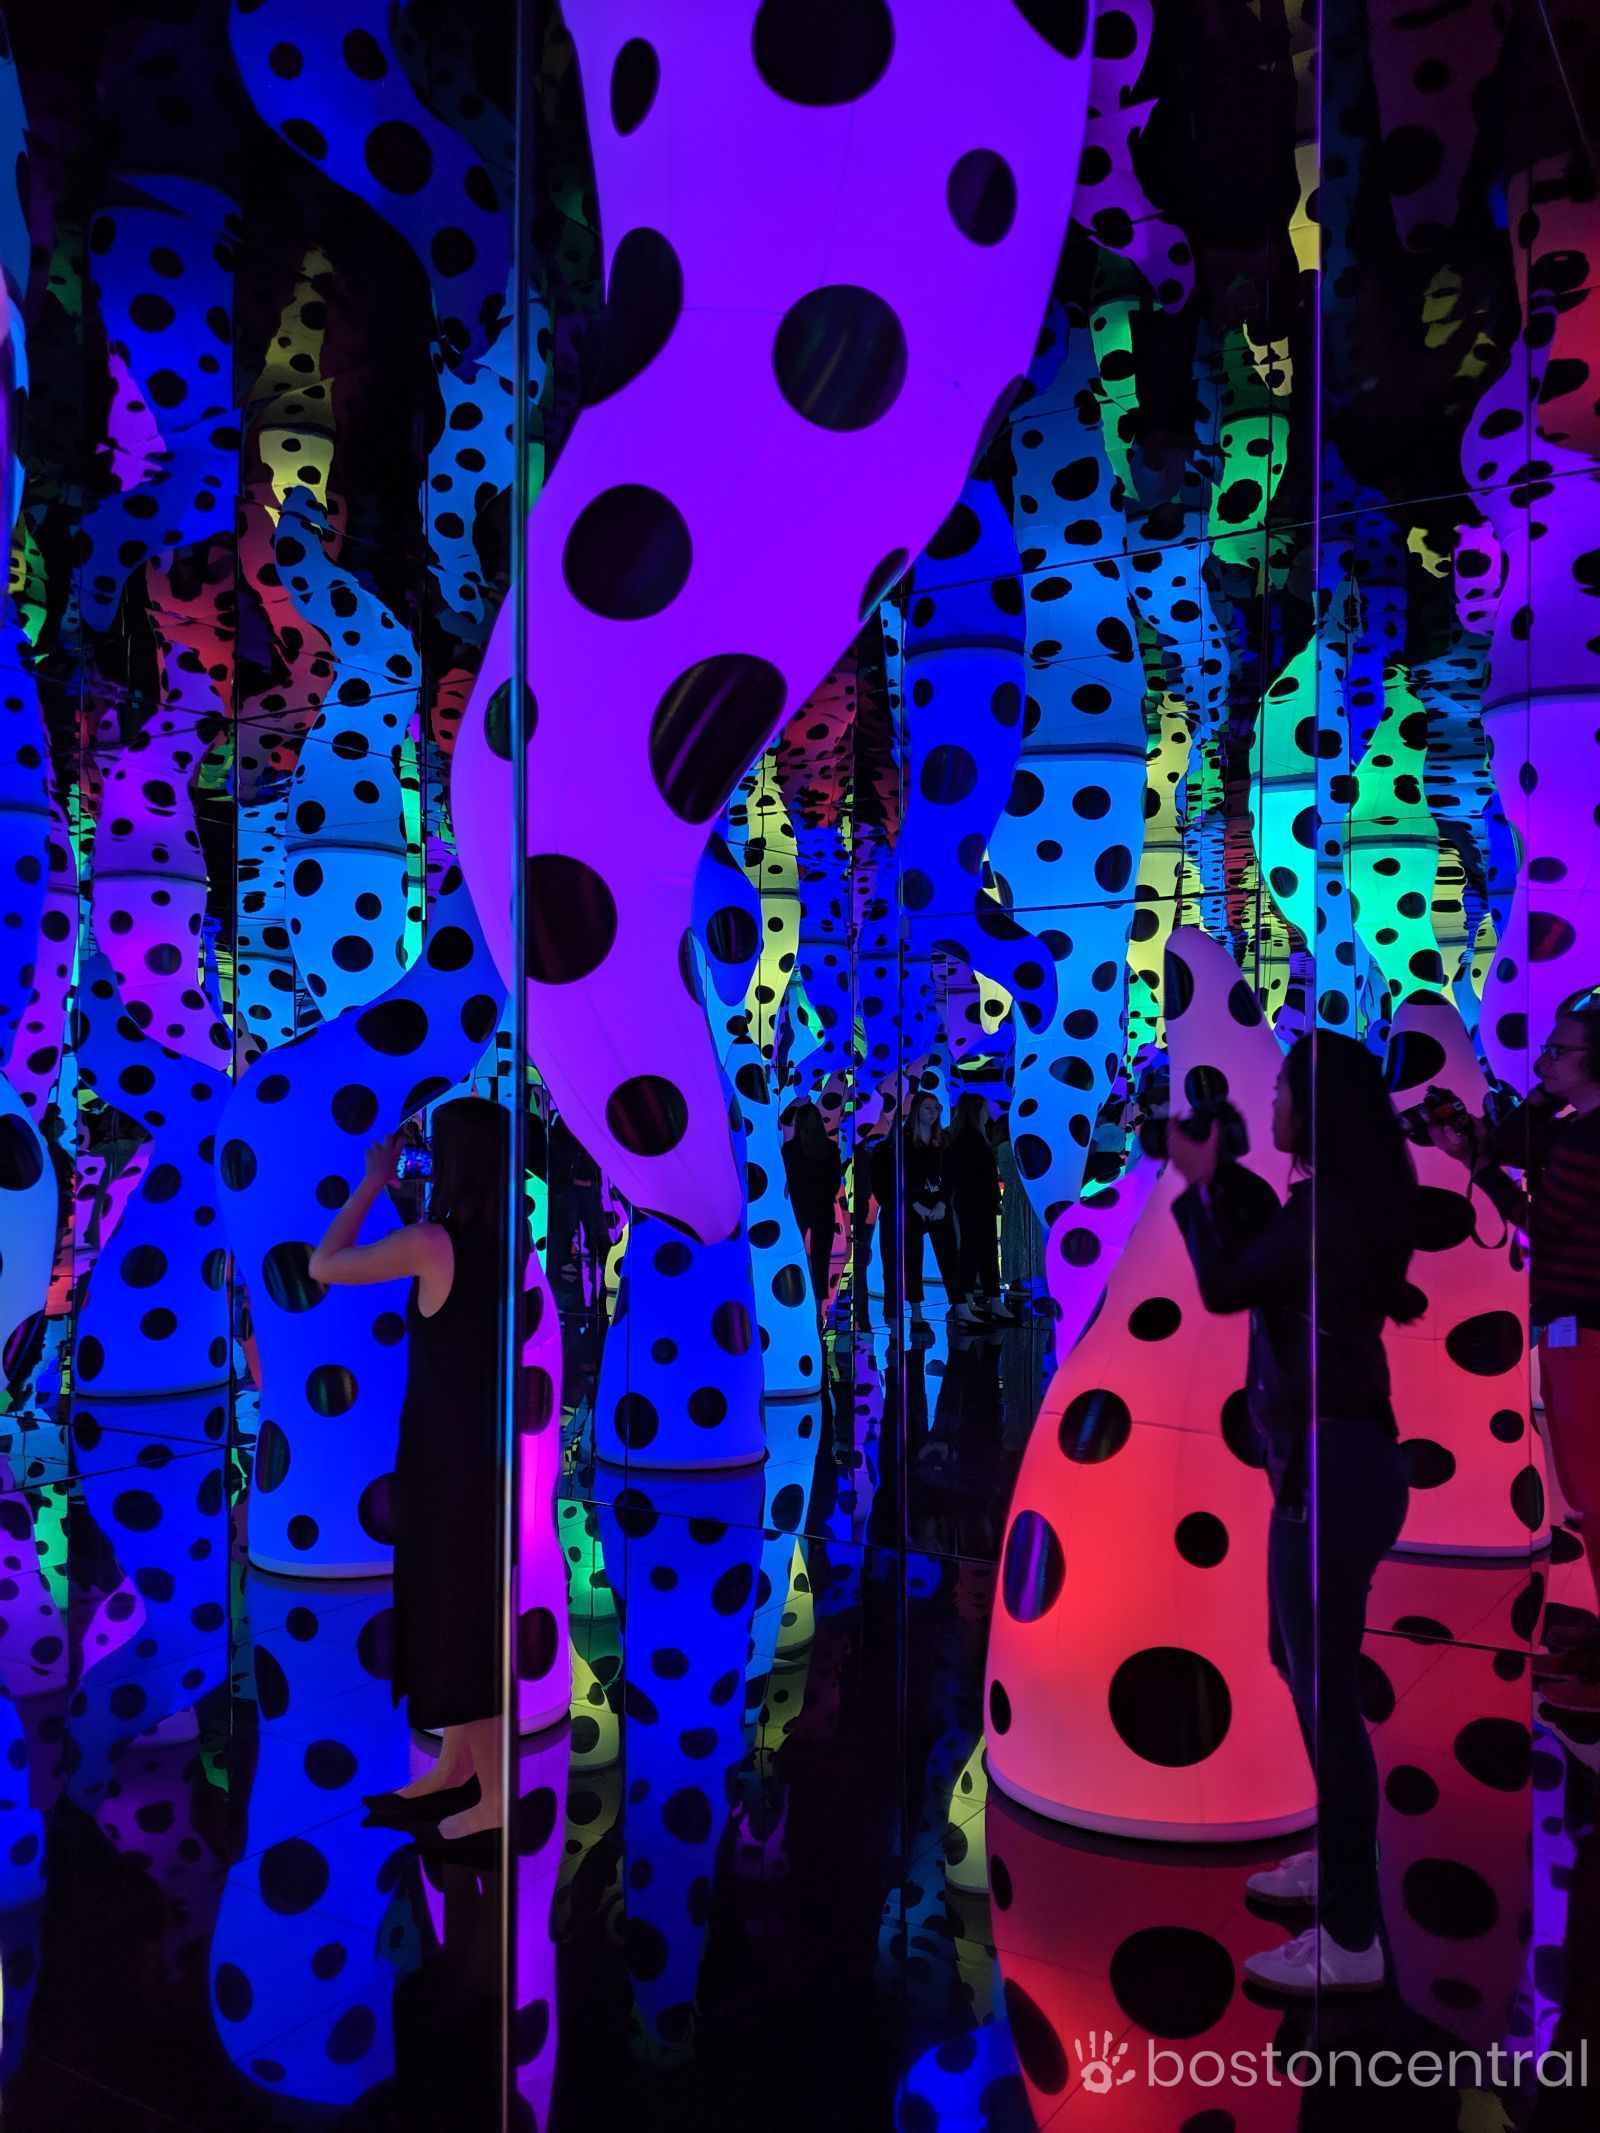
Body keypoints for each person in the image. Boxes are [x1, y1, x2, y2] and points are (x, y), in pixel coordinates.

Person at [1168, 1031, 1418, 1995]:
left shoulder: (1330, 1213)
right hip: (1338, 1463)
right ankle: (1339, 1857)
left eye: (1281, 1088)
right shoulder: (1340, 1205)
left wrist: (1202, 1180)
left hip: (1330, 1471)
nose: (1270, 1100)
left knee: (1325, 1693)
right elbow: (1262, 1254)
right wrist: (1224, 1174)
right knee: (1302, 1663)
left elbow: (1226, 1282)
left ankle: (1350, 1936)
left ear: (1317, 1107)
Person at [309, 1096, 511, 1846]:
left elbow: (323, 1263)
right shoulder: (504, 1240)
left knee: (455, 1619)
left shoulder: (432, 1242)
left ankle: (495, 1800)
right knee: (459, 1610)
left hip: (443, 1457)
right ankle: (454, 1768)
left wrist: (372, 1181)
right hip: (480, 1453)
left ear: (448, 1162)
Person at [1432, 1005, 1600, 1698]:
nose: (1542, 1062)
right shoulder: (1575, 1125)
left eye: (1559, 1052)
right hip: (1574, 1328)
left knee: (1590, 1492)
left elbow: (1539, 1220)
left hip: (1584, 1332)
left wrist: (1472, 1163)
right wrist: (1524, 1110)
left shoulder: (1588, 1140)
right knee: (1585, 1491)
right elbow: (1510, 1147)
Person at [869, 1091, 961, 1330]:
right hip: (904, 1211)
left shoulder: (942, 1143)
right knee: (904, 1261)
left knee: (949, 1254)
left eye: (936, 1108)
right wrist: (913, 1203)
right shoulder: (896, 1145)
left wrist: (942, 1202)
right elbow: (890, 1183)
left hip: (934, 1206)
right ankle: (906, 1315)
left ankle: (959, 1305)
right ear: (916, 1110)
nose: (933, 1113)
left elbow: (949, 1176)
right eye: (928, 1108)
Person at [944, 1093, 1012, 1325]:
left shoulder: (957, 1139)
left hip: (964, 1201)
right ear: (977, 1112)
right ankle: (993, 1299)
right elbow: (986, 1176)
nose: (988, 1114)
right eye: (985, 1109)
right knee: (987, 1251)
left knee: (970, 1250)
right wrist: (994, 1200)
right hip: (980, 1202)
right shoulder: (977, 1141)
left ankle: (968, 1297)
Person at [781, 1101, 842, 1322]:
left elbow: (788, 1181)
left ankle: (793, 1301)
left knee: (793, 1254)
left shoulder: (789, 1150)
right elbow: (834, 1183)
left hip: (798, 1207)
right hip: (823, 1207)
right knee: (821, 1260)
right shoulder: (831, 1149)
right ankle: (818, 1308)